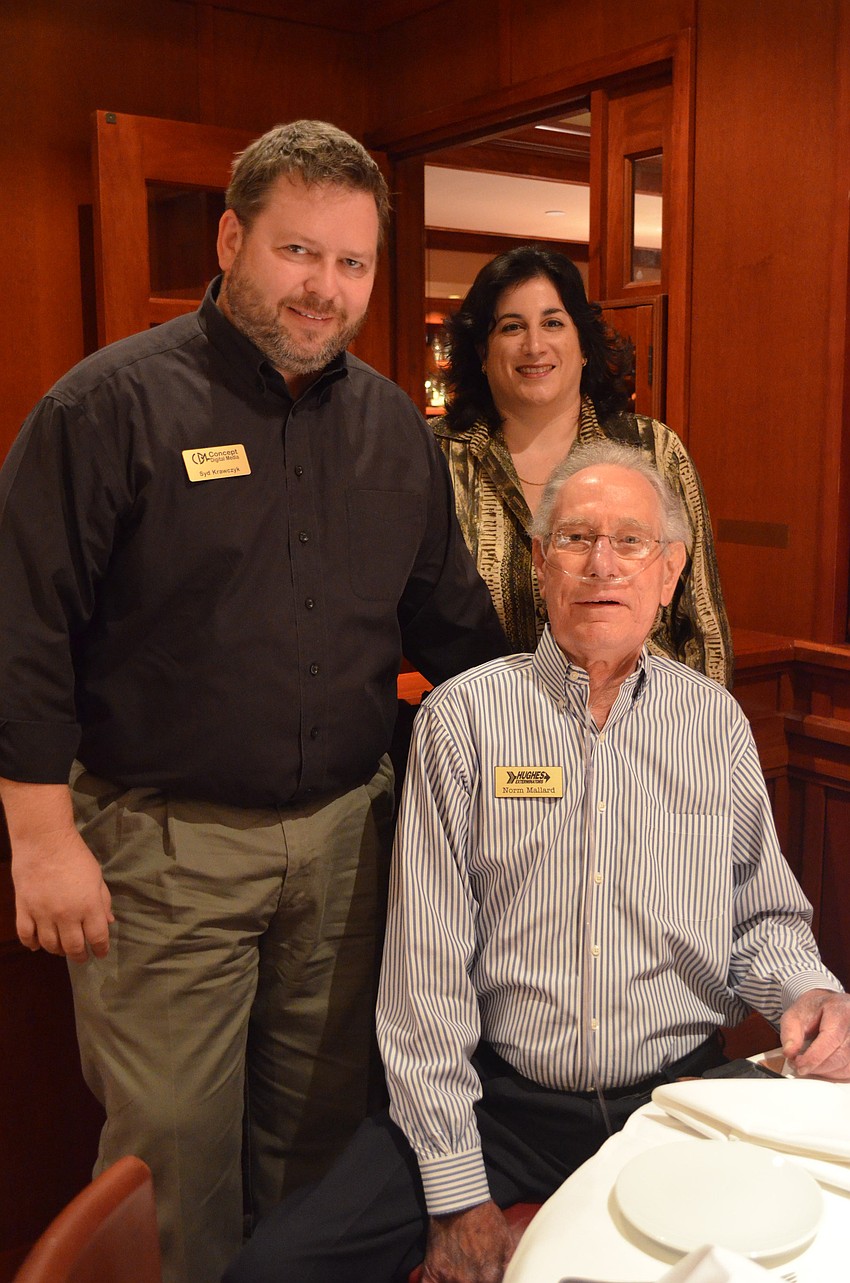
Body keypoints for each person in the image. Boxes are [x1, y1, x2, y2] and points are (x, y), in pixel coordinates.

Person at [0, 120, 507, 1283]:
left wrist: (559, 766)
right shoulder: (105, 409)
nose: (325, 288)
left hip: (346, 847)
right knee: (171, 1156)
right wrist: (40, 839)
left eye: (353, 263)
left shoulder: (393, 427)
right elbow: (22, 629)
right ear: (231, 239)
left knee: (322, 1145)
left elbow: (457, 639)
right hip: (160, 852)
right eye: (297, 252)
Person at [225, 440, 849, 1283]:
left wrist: (808, 993)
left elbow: (761, 917)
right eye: (575, 537)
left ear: (669, 571)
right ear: (536, 564)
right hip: (499, 1107)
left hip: (677, 1098)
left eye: (631, 541)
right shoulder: (464, 721)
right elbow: (425, 981)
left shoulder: (716, 725)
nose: (602, 564)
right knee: (277, 1267)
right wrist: (457, 1194)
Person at [434, 245, 733, 686]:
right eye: (512, 327)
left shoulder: (653, 448)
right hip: (495, 735)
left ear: (585, 344)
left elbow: (701, 620)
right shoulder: (437, 458)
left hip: (643, 731)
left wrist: (694, 735)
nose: (534, 346)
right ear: (482, 351)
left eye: (553, 323)